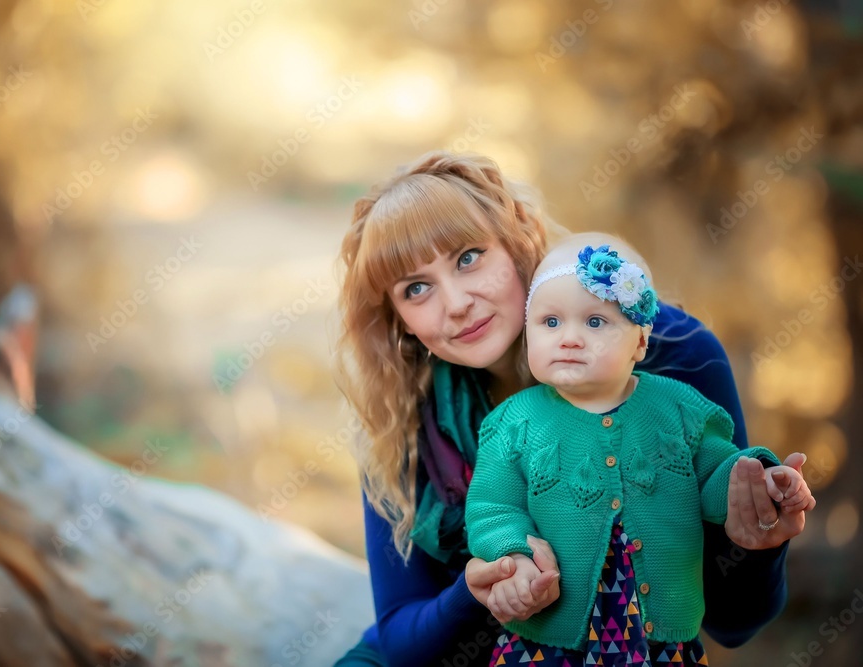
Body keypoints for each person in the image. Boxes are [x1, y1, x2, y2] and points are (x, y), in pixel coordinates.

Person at [332, 151, 814, 667]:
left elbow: (735, 623)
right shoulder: (403, 413)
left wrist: (761, 534)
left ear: (516, 242)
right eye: (416, 288)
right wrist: (478, 590)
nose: (455, 303)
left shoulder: (671, 358)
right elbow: (402, 641)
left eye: (468, 256)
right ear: (401, 320)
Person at [465, 238, 814, 666]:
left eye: (595, 322)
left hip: (660, 644)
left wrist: (763, 479)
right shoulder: (513, 423)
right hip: (548, 642)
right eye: (550, 322)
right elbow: (492, 507)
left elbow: (719, 475)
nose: (570, 338)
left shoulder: (680, 410)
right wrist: (515, 556)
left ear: (640, 343)